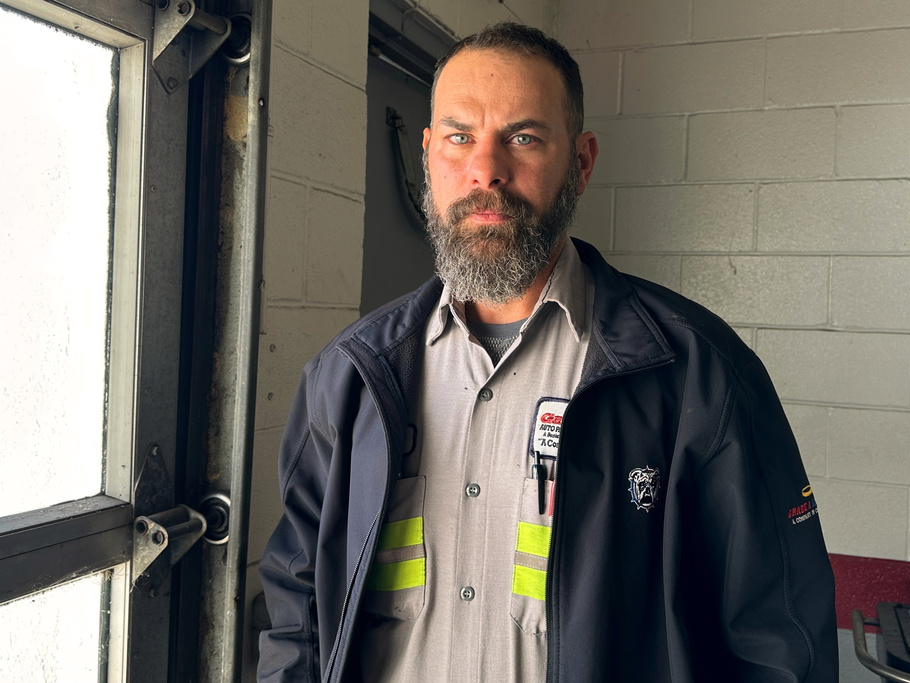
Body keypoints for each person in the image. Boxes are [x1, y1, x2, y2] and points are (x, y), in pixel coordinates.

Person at [258, 21, 838, 683]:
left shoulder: (699, 376)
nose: (486, 170)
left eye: (523, 137)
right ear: (427, 155)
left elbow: (779, 644)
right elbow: (297, 608)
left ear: (580, 162)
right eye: (459, 137)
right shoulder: (348, 378)